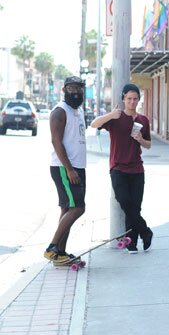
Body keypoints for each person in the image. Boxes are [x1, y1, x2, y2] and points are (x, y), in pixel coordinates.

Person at [90, 83, 153, 254]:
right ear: (124, 99)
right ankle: (146, 232)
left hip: (137, 170)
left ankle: (131, 243)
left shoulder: (143, 120)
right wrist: (111, 114)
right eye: (129, 99)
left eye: (135, 99)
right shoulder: (115, 118)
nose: (132, 102)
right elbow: (94, 124)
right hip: (118, 168)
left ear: (138, 100)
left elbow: (149, 145)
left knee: (135, 207)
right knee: (124, 201)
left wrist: (140, 139)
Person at [44, 76, 88, 263]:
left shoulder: (77, 111)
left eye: (79, 88)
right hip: (65, 168)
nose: (76, 92)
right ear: (64, 90)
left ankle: (60, 253)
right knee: (78, 208)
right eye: (71, 88)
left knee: (67, 208)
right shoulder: (60, 112)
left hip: (77, 166)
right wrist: (69, 169)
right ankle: (52, 247)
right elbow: (56, 141)